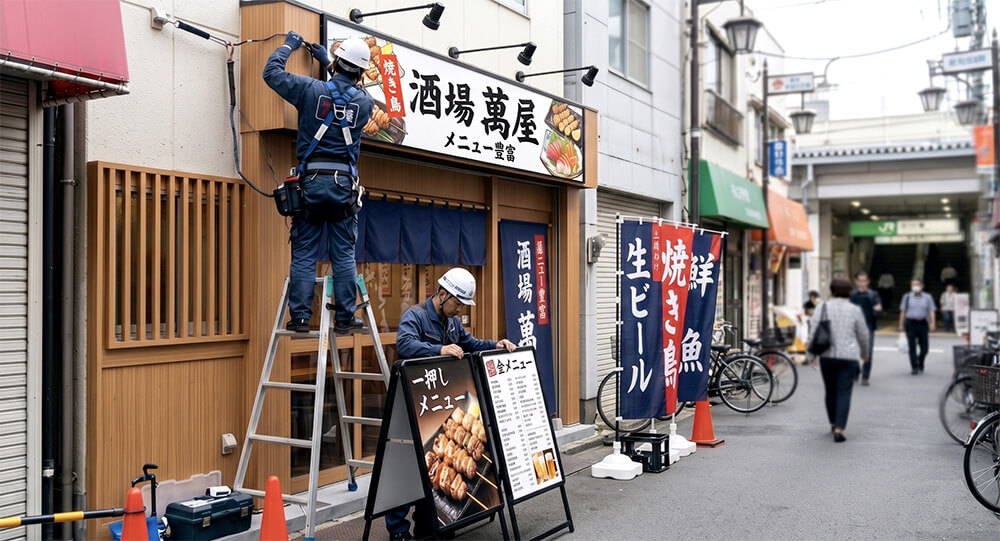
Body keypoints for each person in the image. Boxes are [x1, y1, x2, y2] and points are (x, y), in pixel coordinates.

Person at [387, 268, 516, 540]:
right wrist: (439, 350)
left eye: (463, 305)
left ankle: (430, 525)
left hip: (435, 405)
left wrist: (496, 345)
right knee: (403, 466)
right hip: (408, 403)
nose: (459, 309)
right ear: (442, 294)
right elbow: (405, 344)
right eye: (457, 303)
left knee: (430, 468)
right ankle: (398, 531)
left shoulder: (453, 323)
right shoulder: (416, 315)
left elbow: (470, 344)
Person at [263, 32, 374, 333]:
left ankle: (300, 318)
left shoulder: (309, 90)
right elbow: (345, 93)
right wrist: (330, 63)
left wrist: (289, 46)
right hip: (342, 187)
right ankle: (344, 318)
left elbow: (271, 74)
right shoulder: (365, 103)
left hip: (310, 184)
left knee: (304, 254)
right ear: (362, 71)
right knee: (343, 255)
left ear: (338, 62)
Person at [807, 279, 869, 442]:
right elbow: (863, 334)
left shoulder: (822, 307)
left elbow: (812, 333)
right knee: (844, 392)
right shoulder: (854, 310)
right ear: (849, 292)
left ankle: (833, 422)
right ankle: (840, 429)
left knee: (830, 390)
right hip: (848, 357)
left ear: (831, 290)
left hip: (827, 356)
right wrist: (865, 352)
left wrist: (811, 355)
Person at [849, 271, 882, 386]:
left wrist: (877, 310)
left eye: (864, 281)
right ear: (856, 281)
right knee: (853, 351)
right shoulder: (852, 295)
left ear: (868, 281)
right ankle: (856, 370)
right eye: (860, 281)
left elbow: (879, 312)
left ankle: (865, 376)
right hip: (853, 327)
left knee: (868, 352)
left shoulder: (873, 295)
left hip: (869, 326)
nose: (862, 283)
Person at [898, 277, 937, 375]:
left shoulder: (927, 297)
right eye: (913, 285)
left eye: (917, 284)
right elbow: (903, 311)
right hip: (910, 323)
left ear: (922, 286)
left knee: (925, 348)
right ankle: (914, 367)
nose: (915, 287)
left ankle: (921, 360)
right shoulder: (907, 296)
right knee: (912, 346)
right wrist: (901, 324)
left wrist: (933, 322)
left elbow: (931, 310)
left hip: (922, 323)